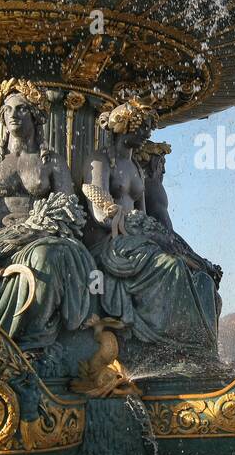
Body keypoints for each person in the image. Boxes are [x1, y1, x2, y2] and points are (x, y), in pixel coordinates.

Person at [0, 80, 96, 351]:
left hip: (40, 237)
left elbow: (70, 210)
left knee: (46, 260)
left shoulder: (52, 161)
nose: (13, 114)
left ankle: (32, 346)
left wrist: (39, 227)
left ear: (35, 117)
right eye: (8, 110)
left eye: (22, 109)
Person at [83, 99, 222, 369]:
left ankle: (194, 352)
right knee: (170, 268)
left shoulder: (136, 169)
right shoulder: (99, 161)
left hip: (134, 239)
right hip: (109, 241)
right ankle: (166, 348)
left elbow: (144, 214)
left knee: (197, 274)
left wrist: (156, 235)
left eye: (148, 128)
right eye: (143, 127)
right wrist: (124, 217)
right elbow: (98, 214)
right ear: (123, 127)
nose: (147, 133)